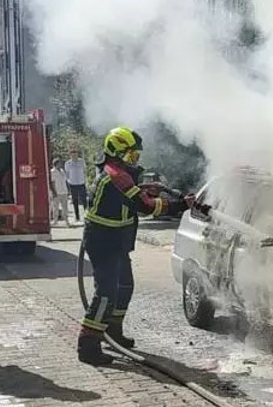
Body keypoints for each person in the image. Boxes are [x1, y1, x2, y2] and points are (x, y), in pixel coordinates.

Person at [77, 127, 195, 365]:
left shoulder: (118, 173)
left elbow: (129, 197)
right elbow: (145, 207)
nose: (135, 161)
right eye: (131, 156)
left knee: (125, 287)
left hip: (116, 241)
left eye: (136, 156)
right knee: (106, 293)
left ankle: (113, 331)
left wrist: (143, 188)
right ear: (117, 152)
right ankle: (88, 344)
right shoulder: (116, 176)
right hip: (103, 242)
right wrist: (180, 204)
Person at [65, 148, 87, 223]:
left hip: (81, 183)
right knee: (75, 201)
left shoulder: (82, 161)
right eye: (72, 153)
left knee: (84, 200)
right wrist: (69, 182)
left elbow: (84, 171)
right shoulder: (68, 163)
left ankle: (87, 216)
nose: (74, 155)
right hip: (73, 184)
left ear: (77, 154)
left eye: (75, 153)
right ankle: (77, 217)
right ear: (70, 155)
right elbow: (67, 174)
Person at [50, 158, 70, 227]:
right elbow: (52, 183)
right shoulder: (52, 172)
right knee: (55, 207)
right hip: (57, 192)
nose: (60, 164)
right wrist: (54, 192)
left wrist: (68, 190)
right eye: (59, 163)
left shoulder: (62, 171)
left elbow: (65, 180)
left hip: (64, 191)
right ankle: (55, 221)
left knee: (65, 207)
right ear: (56, 164)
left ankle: (66, 221)